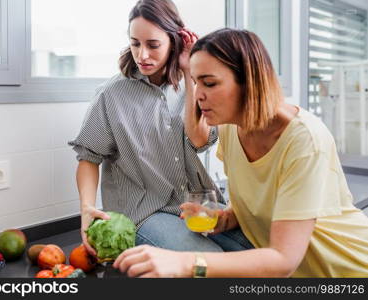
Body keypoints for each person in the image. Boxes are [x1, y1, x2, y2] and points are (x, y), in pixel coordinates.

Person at [113, 28, 368, 277]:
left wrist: (185, 263)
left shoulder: (304, 140)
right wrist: (225, 218)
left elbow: (283, 259)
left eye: (209, 83)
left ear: (249, 81)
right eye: (195, 82)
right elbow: (255, 197)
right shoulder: (230, 129)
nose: (198, 95)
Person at [68, 0, 227, 257]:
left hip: (193, 204)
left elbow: (200, 142)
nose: (142, 55)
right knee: (212, 263)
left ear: (174, 42)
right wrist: (86, 208)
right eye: (135, 43)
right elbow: (88, 157)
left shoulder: (192, 87)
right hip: (143, 212)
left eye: (153, 45)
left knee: (255, 250)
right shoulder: (111, 94)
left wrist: (189, 71)